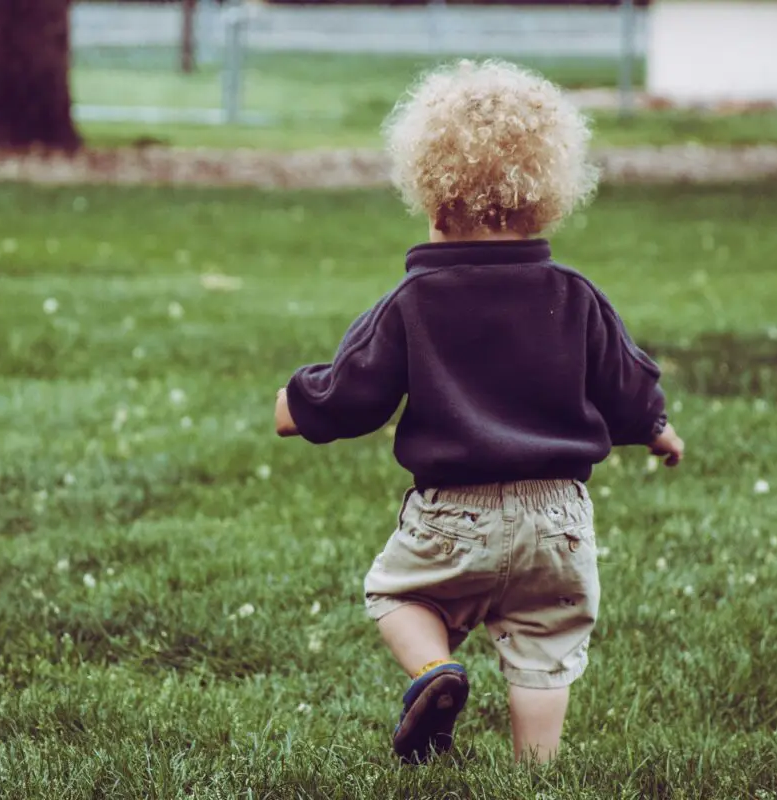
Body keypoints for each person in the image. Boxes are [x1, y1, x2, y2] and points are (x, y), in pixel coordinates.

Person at [273, 59, 685, 765]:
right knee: (545, 645)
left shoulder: (413, 301)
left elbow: (355, 389)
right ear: (545, 202)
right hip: (558, 517)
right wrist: (655, 427)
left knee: (397, 595)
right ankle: (536, 771)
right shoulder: (576, 295)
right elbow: (625, 379)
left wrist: (295, 406)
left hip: (450, 517)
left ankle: (434, 672)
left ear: (432, 202)